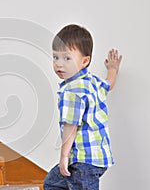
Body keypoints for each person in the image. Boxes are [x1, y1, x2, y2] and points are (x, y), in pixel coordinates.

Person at [44, 24, 122, 190]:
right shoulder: (92, 81)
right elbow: (109, 84)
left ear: (85, 61)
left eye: (67, 58)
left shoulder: (72, 90)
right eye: (55, 57)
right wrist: (113, 69)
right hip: (98, 157)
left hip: (82, 161)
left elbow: (71, 126)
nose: (59, 64)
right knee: (52, 182)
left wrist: (63, 156)